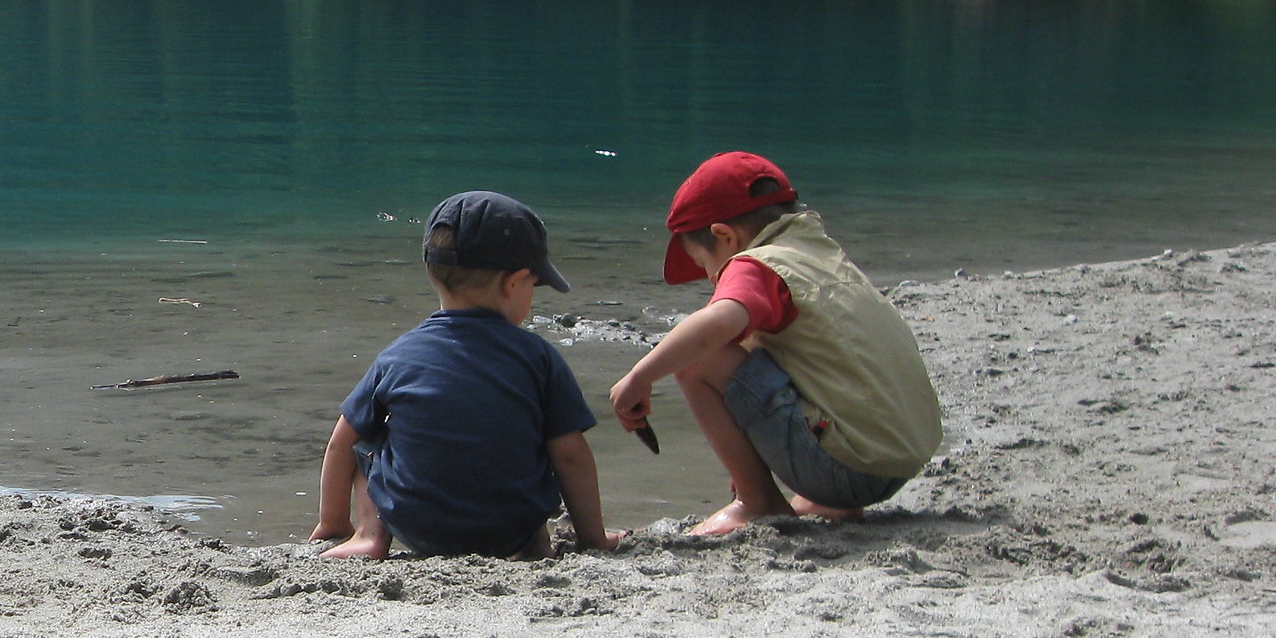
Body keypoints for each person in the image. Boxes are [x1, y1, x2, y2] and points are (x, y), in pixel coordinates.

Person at [608, 152, 942, 537]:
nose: (709, 278)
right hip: (900, 460)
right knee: (759, 349)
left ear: (724, 236)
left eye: (702, 264)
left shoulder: (756, 264)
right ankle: (833, 502)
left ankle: (758, 501)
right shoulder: (819, 253)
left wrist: (641, 375)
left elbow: (714, 327)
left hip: (849, 469)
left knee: (700, 358)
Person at [312, 191, 619, 560]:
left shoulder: (398, 356)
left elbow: (339, 443)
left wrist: (331, 522)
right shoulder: (538, 357)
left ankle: (368, 535)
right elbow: (571, 456)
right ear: (514, 283)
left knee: (370, 437)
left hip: (420, 528)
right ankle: (536, 543)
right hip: (511, 529)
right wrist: (593, 538)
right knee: (528, 433)